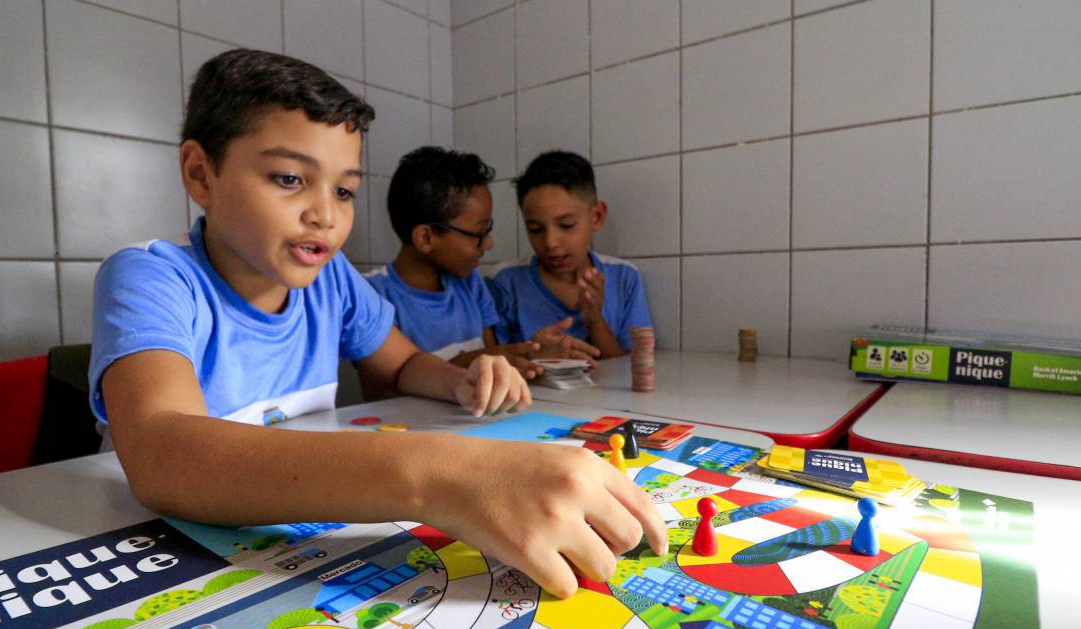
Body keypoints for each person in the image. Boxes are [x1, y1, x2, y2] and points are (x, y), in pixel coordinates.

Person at [88, 49, 665, 598]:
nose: (326, 214)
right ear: (200, 174)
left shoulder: (331, 278)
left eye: (344, 190)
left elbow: (403, 362)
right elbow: (164, 455)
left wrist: (461, 380)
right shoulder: (149, 276)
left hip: (284, 546)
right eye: (289, 178)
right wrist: (442, 475)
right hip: (156, 554)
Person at [367, 147, 542, 378]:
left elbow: (493, 365)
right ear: (426, 238)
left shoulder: (470, 283)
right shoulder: (375, 297)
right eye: (479, 233)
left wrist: (534, 352)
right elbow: (382, 392)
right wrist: (466, 363)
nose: (488, 243)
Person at [488, 151, 654, 359]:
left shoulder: (623, 278)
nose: (550, 242)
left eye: (566, 225)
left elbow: (634, 367)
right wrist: (534, 354)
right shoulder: (507, 282)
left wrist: (595, 322)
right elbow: (491, 362)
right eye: (535, 229)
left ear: (597, 217)